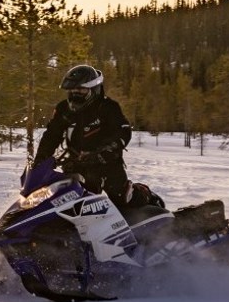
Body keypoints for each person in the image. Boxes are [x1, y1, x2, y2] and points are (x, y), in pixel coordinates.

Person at [34, 64, 159, 209]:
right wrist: (40, 159)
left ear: (93, 89)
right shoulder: (63, 109)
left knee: (123, 199)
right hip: (77, 165)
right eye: (72, 90)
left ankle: (146, 195)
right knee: (69, 202)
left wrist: (107, 150)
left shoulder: (108, 107)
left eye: (80, 90)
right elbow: (51, 135)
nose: (75, 93)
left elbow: (124, 131)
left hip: (107, 163)